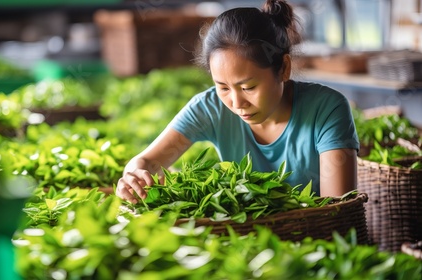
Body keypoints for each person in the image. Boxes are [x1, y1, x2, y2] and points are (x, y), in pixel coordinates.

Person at [116, 0, 359, 204]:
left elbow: (337, 209)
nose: (236, 102)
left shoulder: (327, 109)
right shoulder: (210, 107)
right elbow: (147, 161)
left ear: (283, 68)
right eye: (222, 87)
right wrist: (133, 177)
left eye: (248, 87)